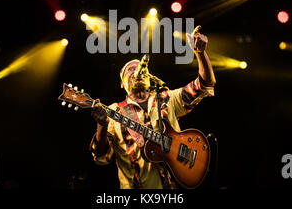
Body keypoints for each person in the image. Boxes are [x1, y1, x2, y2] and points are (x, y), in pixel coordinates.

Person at [90, 26, 216, 189]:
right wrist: (101, 125)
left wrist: (200, 53)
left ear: (150, 78)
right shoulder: (114, 111)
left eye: (140, 69)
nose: (136, 72)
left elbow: (205, 85)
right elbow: (101, 157)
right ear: (122, 83)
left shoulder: (167, 98)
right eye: (130, 70)